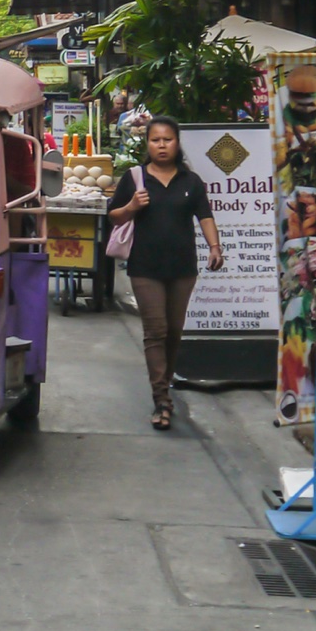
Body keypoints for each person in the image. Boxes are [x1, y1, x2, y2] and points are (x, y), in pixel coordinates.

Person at [108, 117, 224, 431]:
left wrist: (215, 246)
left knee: (174, 331)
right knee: (155, 331)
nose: (161, 145)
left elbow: (205, 215)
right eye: (156, 140)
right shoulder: (135, 179)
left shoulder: (191, 181)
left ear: (177, 143)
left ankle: (165, 382)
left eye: (167, 140)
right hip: (145, 267)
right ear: (147, 144)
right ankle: (162, 399)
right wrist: (132, 206)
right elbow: (113, 217)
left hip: (182, 268)